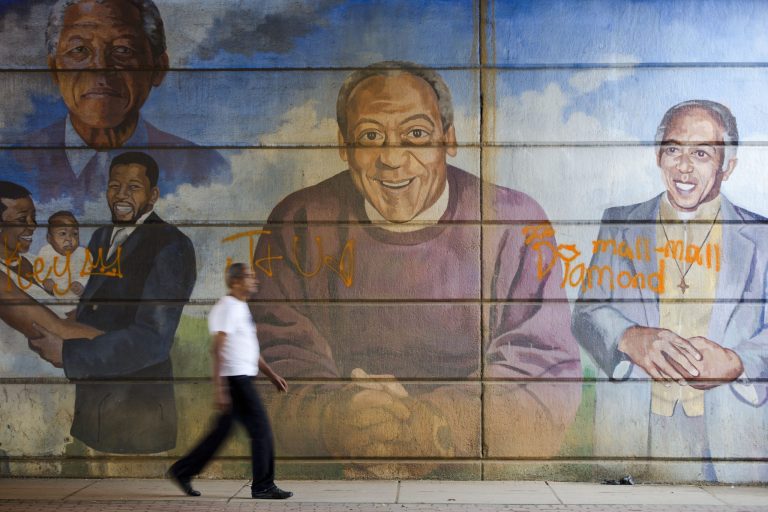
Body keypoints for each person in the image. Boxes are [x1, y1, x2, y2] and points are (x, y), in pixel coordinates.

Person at [250, 61, 582, 476]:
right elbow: (270, 357)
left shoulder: (515, 222)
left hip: (471, 477)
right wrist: (335, 417)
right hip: (332, 471)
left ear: (450, 138)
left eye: (416, 134)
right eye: (370, 136)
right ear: (343, 145)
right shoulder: (297, 221)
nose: (392, 158)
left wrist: (430, 426)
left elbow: (543, 367)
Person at [572, 100, 768, 482]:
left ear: (727, 166)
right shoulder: (619, 223)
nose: (683, 166)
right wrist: (628, 337)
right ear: (658, 156)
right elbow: (586, 313)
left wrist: (737, 362)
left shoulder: (763, 237)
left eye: (701, 153)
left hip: (730, 433)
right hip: (632, 429)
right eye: (674, 149)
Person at [28, 151, 197, 453]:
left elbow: (153, 340)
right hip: (94, 411)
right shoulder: (100, 237)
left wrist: (69, 354)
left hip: (138, 418)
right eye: (114, 186)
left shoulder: (172, 245)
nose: (121, 195)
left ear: (153, 195)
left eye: (133, 187)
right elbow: (99, 307)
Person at [9, 0, 229, 213]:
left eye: (123, 50)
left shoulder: (203, 167)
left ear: (159, 68)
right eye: (79, 50)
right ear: (55, 69)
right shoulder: (13, 162)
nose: (100, 69)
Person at [168, 263, 292, 499]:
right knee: (262, 430)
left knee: (220, 434)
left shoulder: (240, 306)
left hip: (242, 377)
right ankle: (263, 485)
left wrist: (271, 374)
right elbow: (217, 349)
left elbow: (248, 348)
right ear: (235, 281)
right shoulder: (226, 308)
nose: (254, 280)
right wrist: (220, 390)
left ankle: (182, 471)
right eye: (249, 276)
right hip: (236, 380)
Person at [37, 210, 90, 300]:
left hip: (75, 297)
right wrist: (45, 280)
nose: (69, 239)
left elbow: (89, 274)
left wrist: (81, 283)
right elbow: (39, 270)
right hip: (53, 295)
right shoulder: (46, 252)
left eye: (75, 234)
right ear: (49, 238)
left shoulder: (83, 254)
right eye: (62, 233)